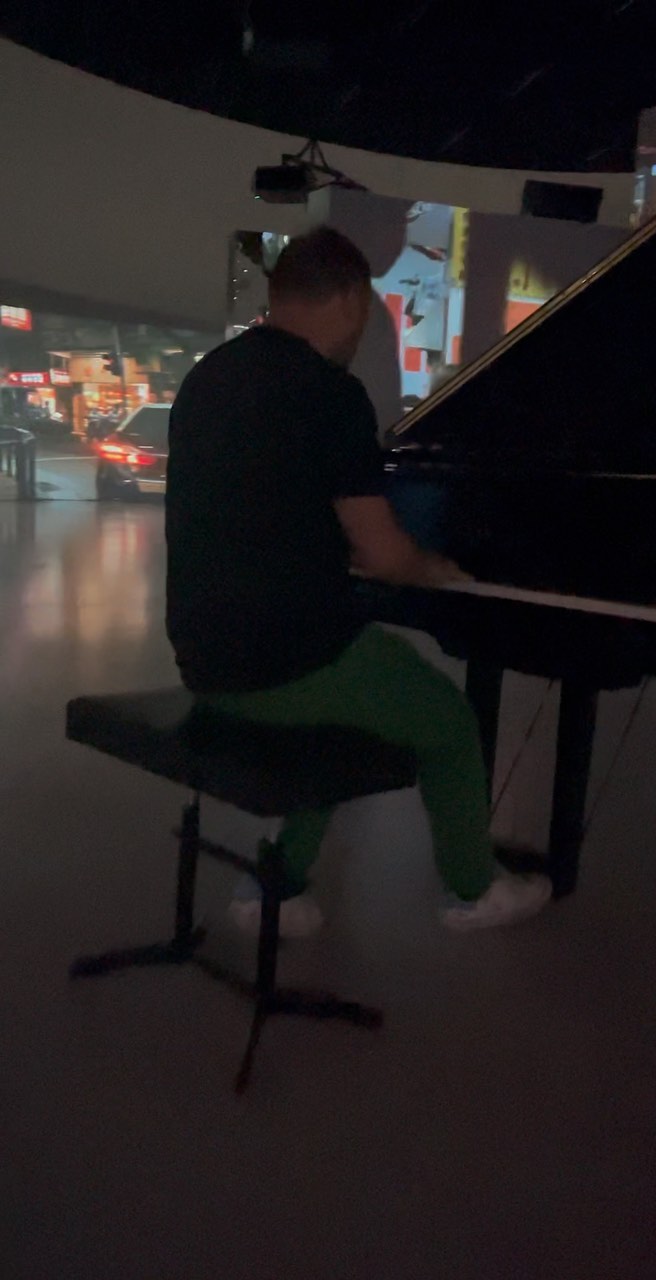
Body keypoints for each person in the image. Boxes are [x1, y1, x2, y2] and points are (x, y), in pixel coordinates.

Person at [165, 227, 551, 936]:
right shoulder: (330, 394)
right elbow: (383, 555)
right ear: (348, 299)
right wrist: (433, 567)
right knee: (449, 722)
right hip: (285, 662)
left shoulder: (208, 377)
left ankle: (274, 888)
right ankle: (473, 889)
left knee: (340, 707)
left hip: (204, 656)